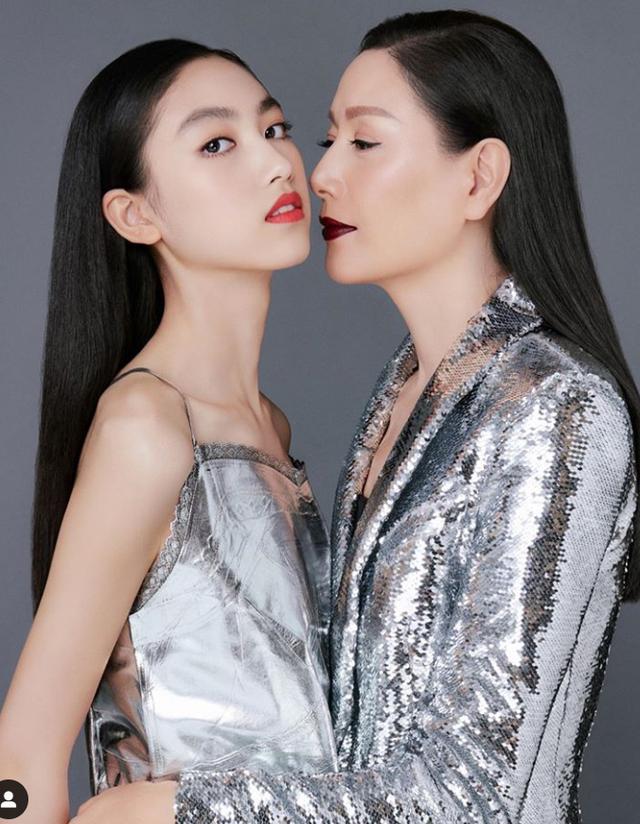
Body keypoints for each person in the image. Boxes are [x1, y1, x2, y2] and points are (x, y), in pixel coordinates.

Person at [70, 10, 640, 824]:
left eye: (364, 142)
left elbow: (475, 798)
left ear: (479, 178)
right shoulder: (403, 391)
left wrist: (171, 810)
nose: (320, 173)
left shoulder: (557, 405)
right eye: (327, 138)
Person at [0, 38, 339, 824]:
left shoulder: (268, 426)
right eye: (217, 143)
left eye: (275, 129)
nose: (276, 163)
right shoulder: (147, 428)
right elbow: (20, 755)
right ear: (136, 213)